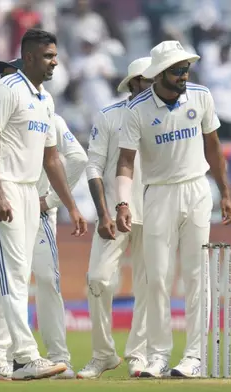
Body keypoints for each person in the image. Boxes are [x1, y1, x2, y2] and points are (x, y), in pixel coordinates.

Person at [115, 41, 231, 378]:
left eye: (186, 68)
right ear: (159, 74)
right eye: (177, 69)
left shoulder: (200, 96)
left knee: (197, 276)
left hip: (197, 190)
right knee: (158, 278)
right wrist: (123, 201)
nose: (184, 74)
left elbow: (213, 147)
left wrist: (224, 192)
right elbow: (125, 162)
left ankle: (194, 357)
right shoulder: (137, 109)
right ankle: (158, 356)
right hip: (157, 194)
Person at [0, 29, 87, 380]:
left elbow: (52, 160)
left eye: (55, 55)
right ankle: (24, 358)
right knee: (14, 276)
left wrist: (70, 205)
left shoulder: (45, 100)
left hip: (28, 194)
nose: (55, 61)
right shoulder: (6, 89)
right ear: (29, 57)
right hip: (6, 187)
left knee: (16, 276)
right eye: (49, 56)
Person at [77, 57, 152, 379]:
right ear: (134, 82)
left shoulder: (168, 117)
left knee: (149, 285)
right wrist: (103, 212)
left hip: (154, 212)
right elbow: (93, 165)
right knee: (97, 279)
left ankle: (139, 355)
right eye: (148, 80)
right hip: (114, 212)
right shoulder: (109, 116)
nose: (153, 85)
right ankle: (103, 354)